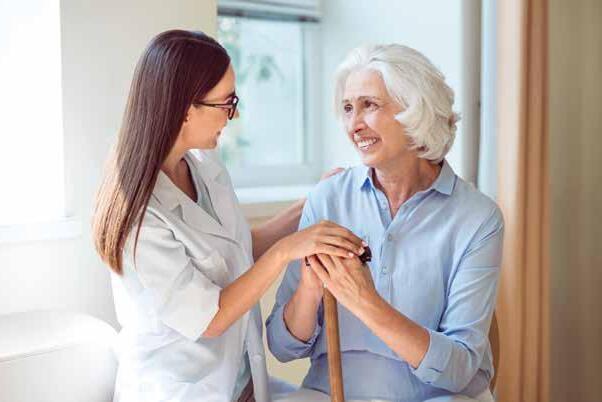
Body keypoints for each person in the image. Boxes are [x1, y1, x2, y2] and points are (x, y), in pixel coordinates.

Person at [92, 30, 365, 402]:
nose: (233, 114)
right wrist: (288, 249)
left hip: (242, 383)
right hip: (181, 392)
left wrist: (310, 203)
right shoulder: (140, 216)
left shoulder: (203, 163)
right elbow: (210, 318)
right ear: (185, 108)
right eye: (226, 102)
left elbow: (237, 248)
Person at [266, 44, 504, 402]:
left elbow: (458, 370)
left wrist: (364, 300)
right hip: (331, 394)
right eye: (348, 108)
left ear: (415, 110)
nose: (354, 125)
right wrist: (310, 289)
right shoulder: (328, 198)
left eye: (370, 105)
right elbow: (281, 347)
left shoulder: (477, 217)